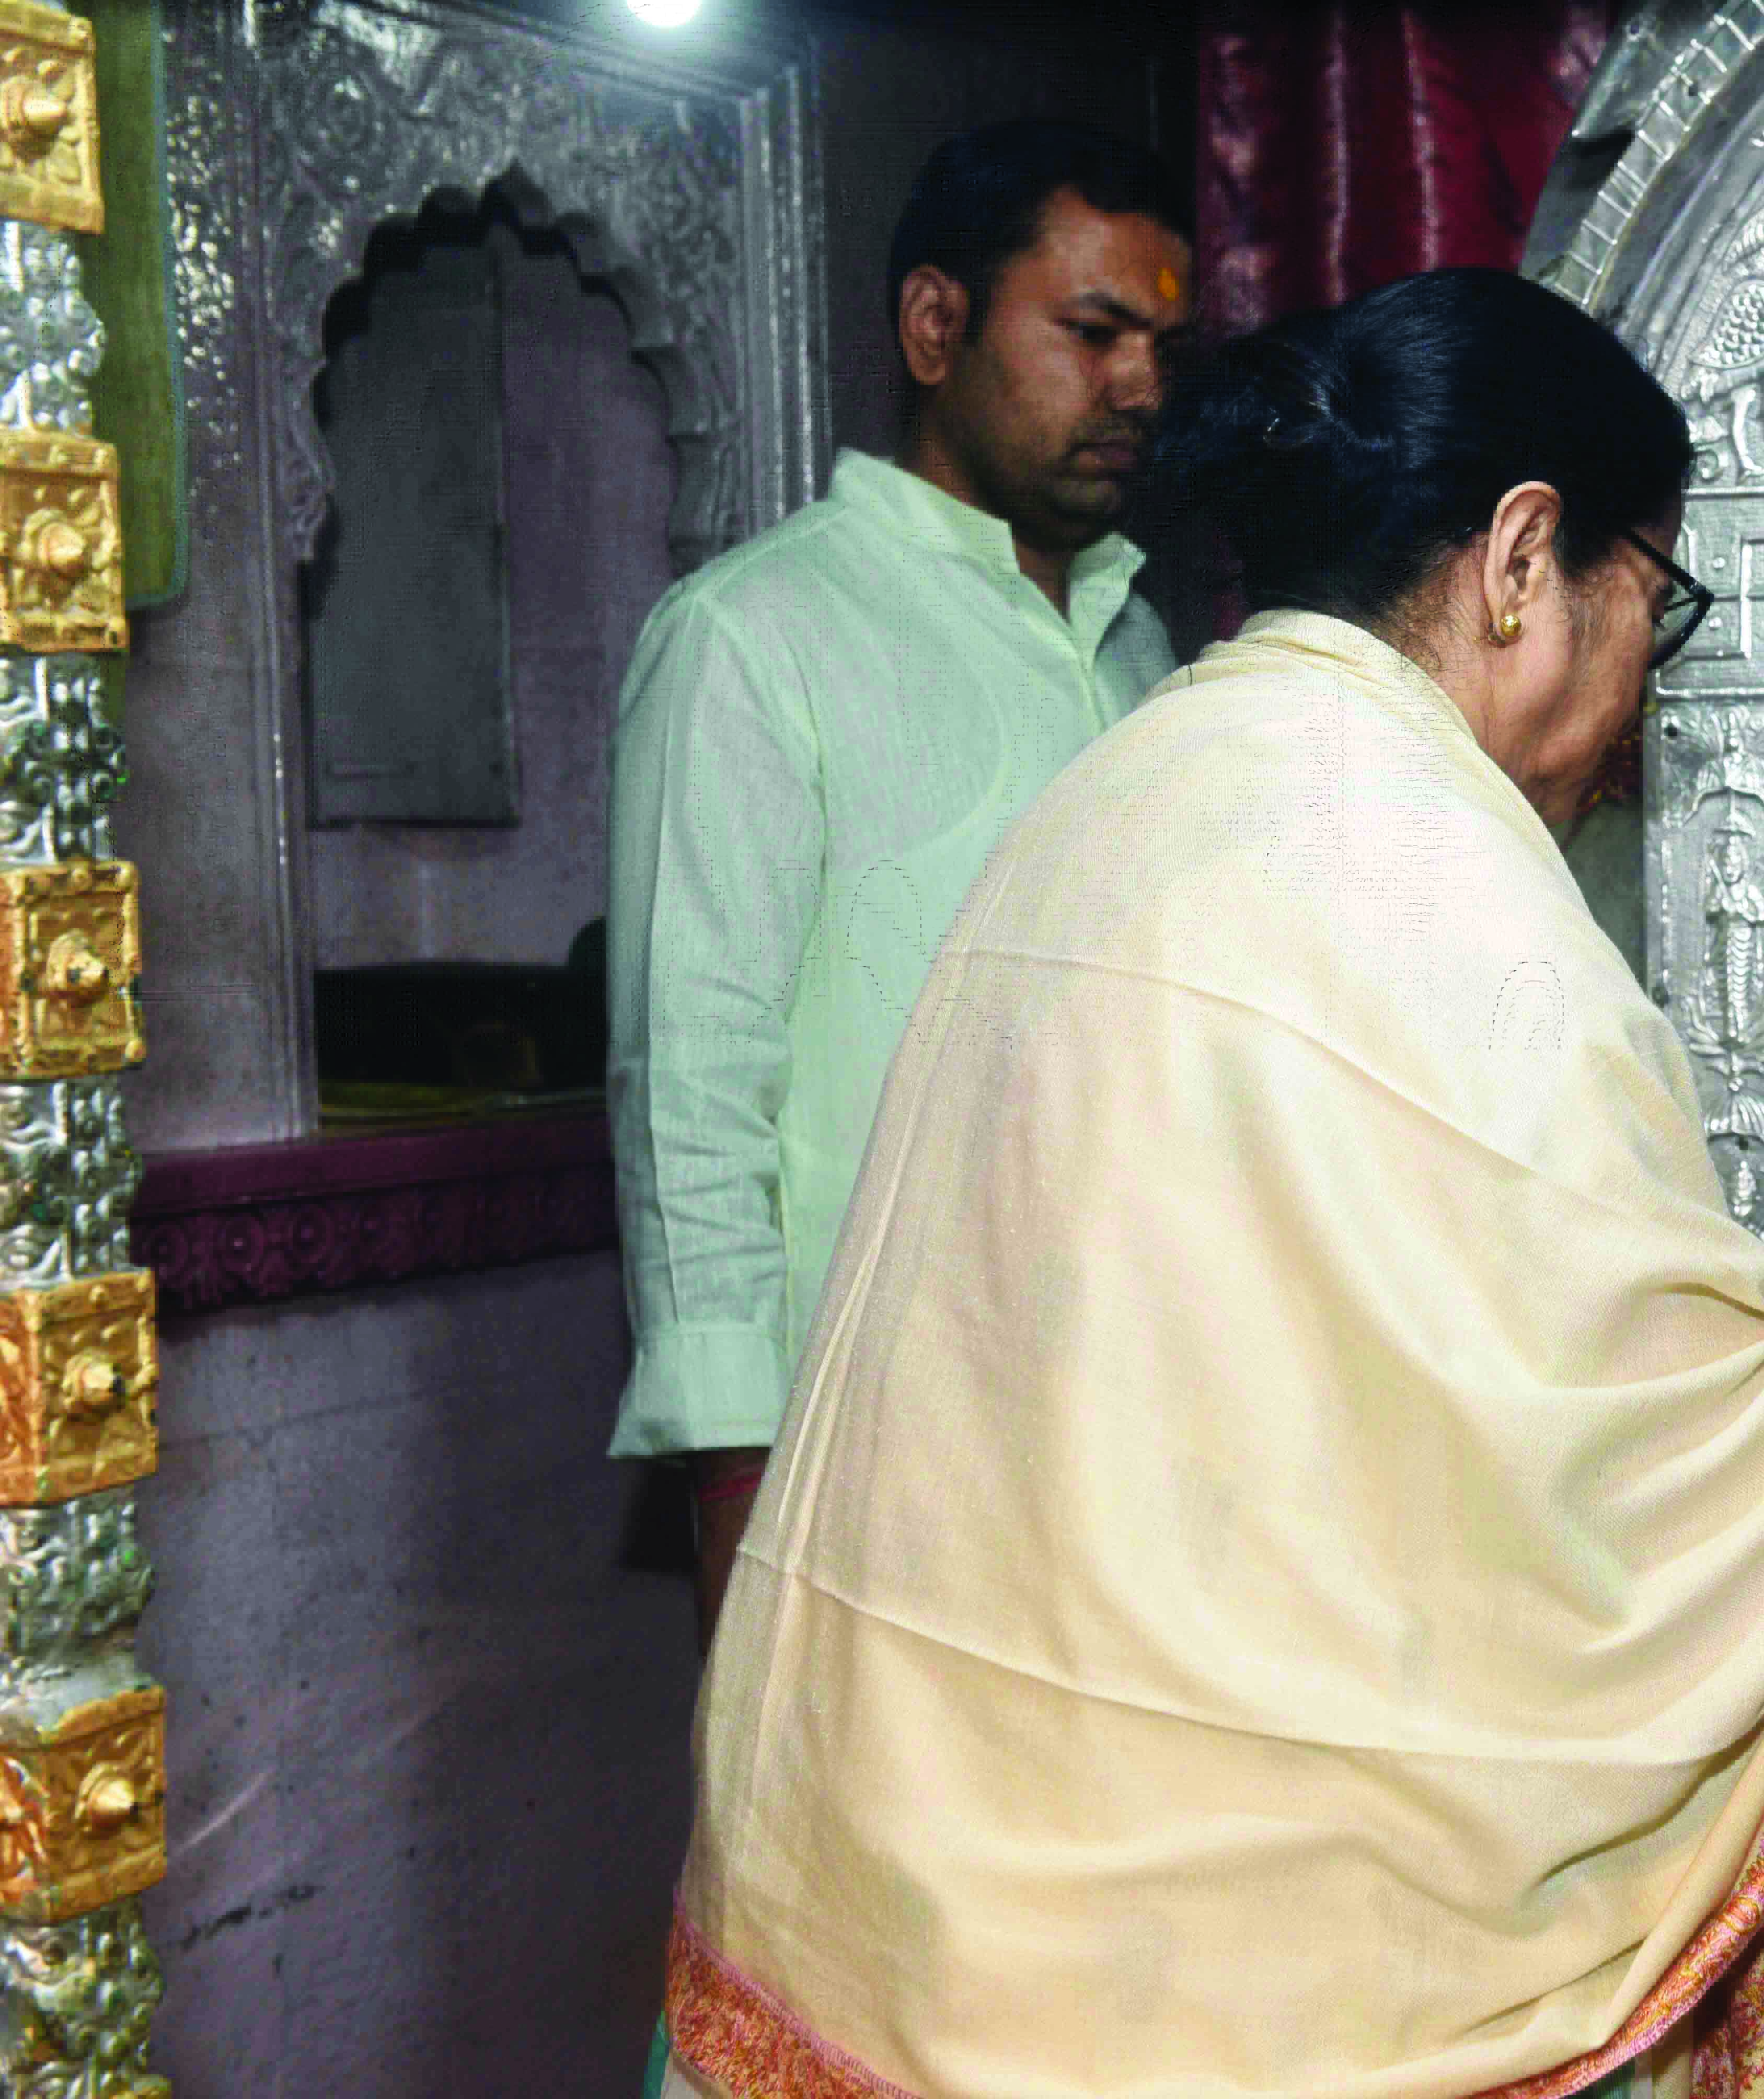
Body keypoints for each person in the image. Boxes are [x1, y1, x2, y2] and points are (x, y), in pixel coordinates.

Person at [654, 269, 1764, 2099]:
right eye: (1660, 601)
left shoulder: (1128, 786)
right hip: (1214, 1988)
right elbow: (1625, 1558)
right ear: (1521, 558)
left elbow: (1391, 1443)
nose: (1648, 685)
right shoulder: (1458, 906)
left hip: (909, 1908)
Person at [604, 121, 1193, 1637]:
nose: (1138, 386)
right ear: (936, 325)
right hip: (868, 1479)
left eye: (1161, 346)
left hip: (1145, 1443)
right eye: (1092, 332)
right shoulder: (754, 639)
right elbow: (692, 1094)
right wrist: (736, 1502)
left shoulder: (1148, 652)